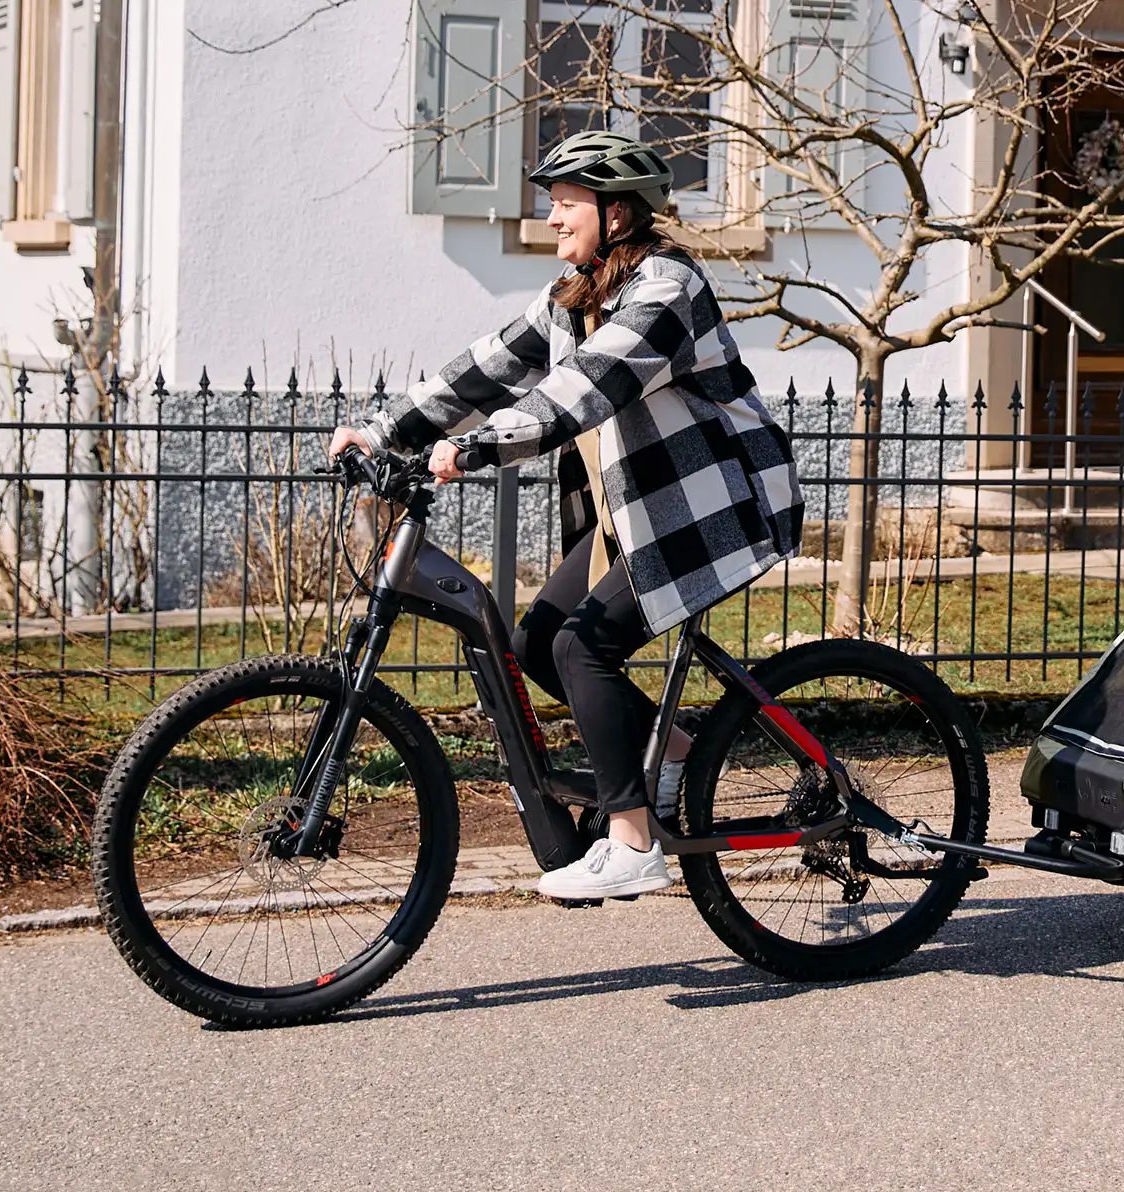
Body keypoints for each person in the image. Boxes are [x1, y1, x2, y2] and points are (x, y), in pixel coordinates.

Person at [330, 130, 803, 903]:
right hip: (641, 513)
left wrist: (478, 447)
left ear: (616, 214)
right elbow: (482, 369)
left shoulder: (667, 291)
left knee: (584, 647)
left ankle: (634, 843)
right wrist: (384, 433)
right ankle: (676, 754)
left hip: (712, 509)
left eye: (565, 203)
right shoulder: (573, 298)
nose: (551, 218)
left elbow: (583, 390)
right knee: (538, 646)